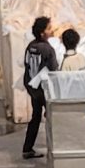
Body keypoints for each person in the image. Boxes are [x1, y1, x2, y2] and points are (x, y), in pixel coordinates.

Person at [20, 16, 58, 159]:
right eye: (49, 28)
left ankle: (27, 148)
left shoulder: (31, 46)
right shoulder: (48, 49)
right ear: (42, 33)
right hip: (43, 89)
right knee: (52, 117)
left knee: (35, 116)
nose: (51, 30)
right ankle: (54, 149)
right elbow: (54, 70)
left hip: (32, 87)